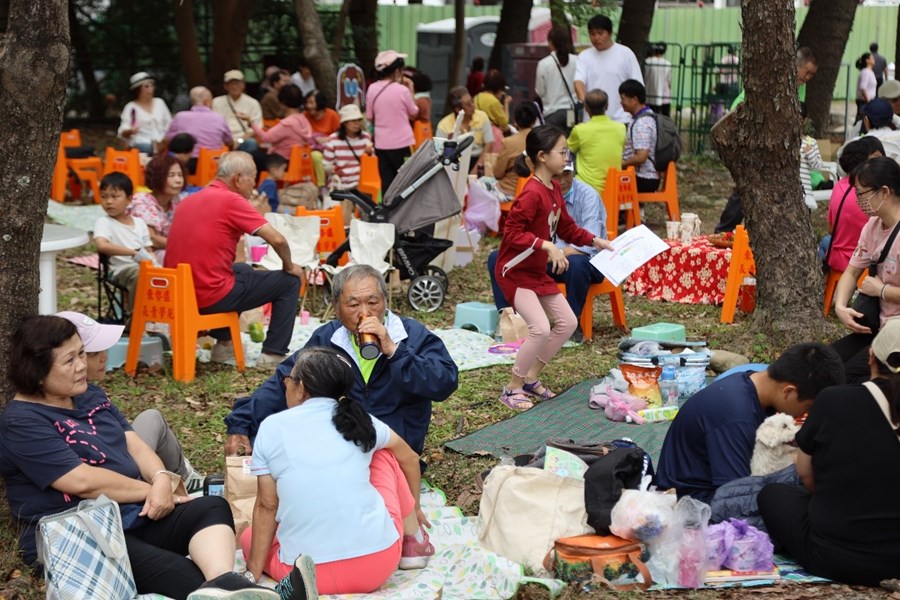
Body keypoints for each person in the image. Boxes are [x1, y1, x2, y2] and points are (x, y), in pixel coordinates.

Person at [0, 316, 283, 600]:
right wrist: (153, 491)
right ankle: (219, 589)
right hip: (87, 532)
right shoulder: (22, 422)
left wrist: (161, 479)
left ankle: (223, 582)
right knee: (185, 576)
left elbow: (134, 444)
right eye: (70, 360)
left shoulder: (90, 395)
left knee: (211, 507)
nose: (82, 365)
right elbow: (81, 480)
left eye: (82, 353)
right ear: (37, 371)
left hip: (134, 514)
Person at [242, 347, 434, 596]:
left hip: (302, 571)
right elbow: (409, 457)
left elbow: (267, 506)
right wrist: (415, 508)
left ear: (301, 388)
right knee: (384, 452)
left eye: (288, 380)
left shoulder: (271, 428)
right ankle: (413, 541)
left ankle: (285, 581)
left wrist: (251, 575)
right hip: (377, 565)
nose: (285, 386)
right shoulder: (362, 421)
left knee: (248, 538)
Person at [223, 264, 458, 459]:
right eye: (353, 304)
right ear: (336, 308)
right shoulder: (328, 338)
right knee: (269, 448)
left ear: (385, 302)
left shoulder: (409, 334)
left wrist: (394, 351)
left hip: (394, 447)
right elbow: (285, 381)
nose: (364, 312)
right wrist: (240, 424)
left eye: (373, 302)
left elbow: (445, 382)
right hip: (342, 442)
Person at [758, 319, 900, 586]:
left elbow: (807, 477)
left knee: (772, 494)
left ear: (870, 356)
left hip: (837, 556)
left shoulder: (834, 399)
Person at [494, 126, 612, 410]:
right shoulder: (531, 192)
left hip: (535, 272)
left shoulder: (554, 188)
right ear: (542, 156)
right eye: (562, 152)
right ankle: (512, 388)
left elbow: (567, 227)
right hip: (516, 271)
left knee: (568, 322)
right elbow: (511, 233)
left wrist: (594, 239)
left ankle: (531, 379)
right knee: (540, 328)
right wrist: (546, 246)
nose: (566, 157)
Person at [655, 343, 845, 504]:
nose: (806, 415)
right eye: (809, 408)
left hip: (714, 486)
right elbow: (735, 498)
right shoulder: (736, 416)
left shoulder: (752, 383)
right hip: (693, 502)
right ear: (788, 391)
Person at [164, 152, 303, 368]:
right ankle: (273, 354)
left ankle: (223, 344)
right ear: (238, 179)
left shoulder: (188, 200)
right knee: (289, 281)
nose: (254, 185)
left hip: (179, 293)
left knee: (242, 270)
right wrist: (290, 266)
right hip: (209, 297)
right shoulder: (232, 200)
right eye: (253, 178)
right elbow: (277, 240)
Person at [56, 311, 205, 494]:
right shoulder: (35, 416)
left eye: (104, 349)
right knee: (152, 421)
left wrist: (159, 475)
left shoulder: (94, 393)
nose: (104, 357)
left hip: (123, 463)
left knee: (151, 418)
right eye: (93, 353)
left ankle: (185, 477)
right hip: (116, 480)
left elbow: (129, 438)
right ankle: (185, 479)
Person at [488, 157, 606, 345]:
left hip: (580, 260)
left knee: (578, 265)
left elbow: (584, 244)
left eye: (568, 174)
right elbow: (520, 234)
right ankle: (509, 319)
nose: (564, 179)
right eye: (559, 175)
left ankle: (572, 323)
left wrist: (554, 252)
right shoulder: (536, 192)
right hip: (545, 257)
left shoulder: (587, 195)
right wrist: (545, 251)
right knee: (497, 257)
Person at [715, 48, 818, 233]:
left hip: (776, 147)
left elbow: (797, 114)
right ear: (796, 66)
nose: (808, 78)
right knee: (745, 189)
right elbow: (736, 109)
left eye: (812, 74)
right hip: (755, 141)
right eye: (807, 72)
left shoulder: (800, 87)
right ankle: (724, 231)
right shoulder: (773, 81)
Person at [833, 157, 900, 384]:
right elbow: (851, 273)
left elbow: (875, 287)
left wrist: (881, 290)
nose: (858, 199)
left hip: (895, 333)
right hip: (875, 326)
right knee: (828, 363)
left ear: (884, 192)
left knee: (849, 377)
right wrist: (840, 307)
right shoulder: (872, 226)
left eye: (862, 193)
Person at [93, 173, 157, 313]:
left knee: (169, 276)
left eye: (115, 196)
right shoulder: (104, 222)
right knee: (140, 274)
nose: (109, 201)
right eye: (104, 196)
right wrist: (132, 252)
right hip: (120, 269)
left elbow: (149, 249)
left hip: (144, 265)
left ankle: (159, 318)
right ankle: (135, 318)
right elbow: (102, 245)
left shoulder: (139, 223)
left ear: (129, 199)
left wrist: (155, 264)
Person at [824, 137, 885, 273]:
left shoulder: (839, 186)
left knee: (824, 242)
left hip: (834, 261)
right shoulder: (869, 195)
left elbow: (830, 228)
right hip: (860, 268)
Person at [574, 15, 643, 124]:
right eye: (592, 34)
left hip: (621, 120)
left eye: (600, 33)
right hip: (592, 120)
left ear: (610, 33)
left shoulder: (626, 54)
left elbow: (637, 85)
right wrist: (586, 102)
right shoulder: (584, 56)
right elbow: (579, 81)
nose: (596, 38)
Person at [366, 50, 418, 193]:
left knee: (387, 180)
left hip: (382, 144)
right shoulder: (403, 90)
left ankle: (389, 211)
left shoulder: (372, 89)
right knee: (405, 181)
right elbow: (414, 113)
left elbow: (369, 115)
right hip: (403, 143)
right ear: (397, 71)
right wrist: (411, 90)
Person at [567, 89, 626, 196]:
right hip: (615, 189)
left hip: (587, 189)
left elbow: (567, 150)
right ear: (607, 106)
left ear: (586, 108)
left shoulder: (580, 130)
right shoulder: (621, 128)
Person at [129, 153, 186, 264]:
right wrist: (183, 245)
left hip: (168, 249)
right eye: (171, 175)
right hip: (142, 255)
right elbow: (152, 239)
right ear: (158, 178)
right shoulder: (142, 202)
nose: (178, 180)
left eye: (180, 175)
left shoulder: (177, 201)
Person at [323, 104, 374, 224]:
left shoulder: (366, 138)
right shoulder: (333, 140)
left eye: (358, 120)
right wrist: (333, 169)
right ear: (344, 123)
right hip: (342, 184)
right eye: (352, 121)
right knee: (344, 218)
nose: (357, 124)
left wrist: (369, 153)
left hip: (361, 183)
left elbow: (372, 162)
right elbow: (325, 165)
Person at [165, 86, 234, 174]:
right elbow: (229, 142)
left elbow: (167, 141)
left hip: (185, 165)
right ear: (208, 101)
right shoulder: (219, 118)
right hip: (213, 166)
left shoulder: (180, 117)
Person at [436, 86, 494, 171]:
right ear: (458, 109)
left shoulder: (482, 117)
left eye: (472, 101)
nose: (473, 105)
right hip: (454, 163)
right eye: (468, 104)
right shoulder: (444, 125)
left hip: (478, 160)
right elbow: (439, 153)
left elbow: (489, 144)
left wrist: (475, 170)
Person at [536, 25, 577, 136]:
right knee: (571, 143)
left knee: (555, 146)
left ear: (551, 42)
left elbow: (540, 91)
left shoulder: (544, 64)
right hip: (571, 112)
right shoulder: (576, 60)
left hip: (552, 112)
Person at [619, 79, 660, 194]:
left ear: (634, 99)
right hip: (643, 176)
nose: (621, 102)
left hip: (643, 178)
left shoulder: (642, 123)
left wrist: (621, 163)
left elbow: (641, 156)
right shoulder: (644, 117)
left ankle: (622, 212)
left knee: (606, 184)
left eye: (623, 98)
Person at [117, 72, 172, 154]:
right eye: (146, 86)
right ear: (138, 89)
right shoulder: (131, 107)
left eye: (152, 85)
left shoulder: (160, 102)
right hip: (142, 143)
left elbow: (169, 123)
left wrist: (165, 138)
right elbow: (123, 131)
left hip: (162, 141)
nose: (150, 89)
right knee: (145, 148)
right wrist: (130, 131)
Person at [492, 103, 539, 198]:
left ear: (515, 121)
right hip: (535, 191)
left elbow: (498, 173)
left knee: (480, 184)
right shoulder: (542, 141)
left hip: (510, 191)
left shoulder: (508, 142)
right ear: (534, 121)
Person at [212, 70, 263, 152]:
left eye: (237, 83)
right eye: (231, 84)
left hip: (243, 139)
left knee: (251, 143)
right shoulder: (216, 102)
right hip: (222, 139)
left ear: (243, 85)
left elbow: (257, 127)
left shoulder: (253, 103)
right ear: (225, 86)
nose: (234, 86)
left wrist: (239, 141)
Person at [474, 69, 512, 136]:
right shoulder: (494, 101)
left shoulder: (476, 97)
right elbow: (504, 122)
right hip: (491, 135)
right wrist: (506, 104)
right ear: (499, 88)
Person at [644, 44, 672, 117]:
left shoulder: (647, 62)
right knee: (663, 116)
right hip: (663, 94)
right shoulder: (667, 63)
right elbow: (669, 80)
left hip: (648, 93)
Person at [856, 53, 877, 125]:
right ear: (867, 60)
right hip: (865, 102)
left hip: (868, 101)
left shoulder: (870, 72)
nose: (874, 60)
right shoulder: (866, 72)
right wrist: (868, 101)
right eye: (872, 58)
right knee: (862, 122)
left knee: (865, 122)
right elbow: (863, 87)